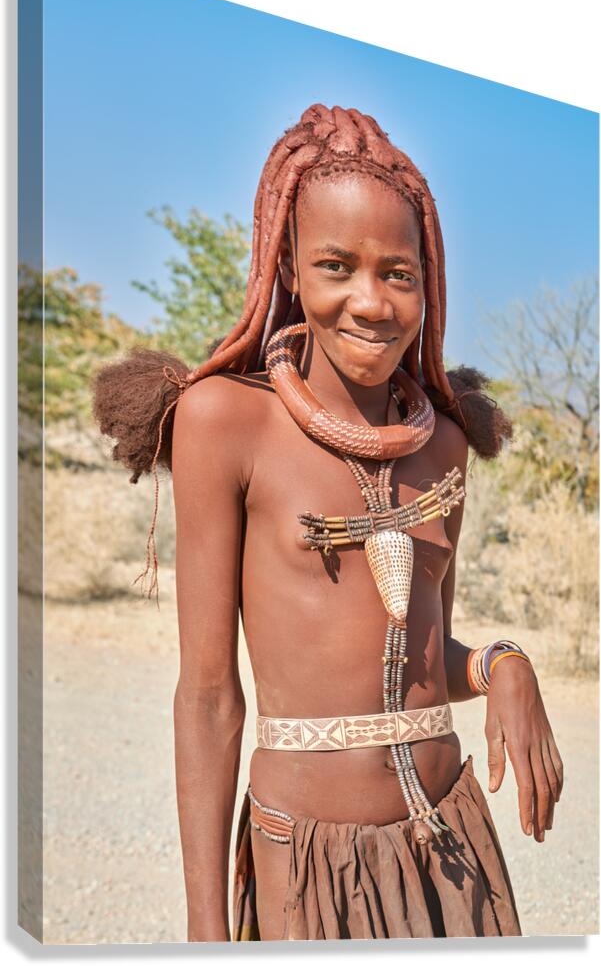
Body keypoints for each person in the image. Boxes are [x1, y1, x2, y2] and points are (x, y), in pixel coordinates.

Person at [92, 103, 563, 942]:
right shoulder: (222, 423)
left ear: (429, 282)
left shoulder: (444, 444)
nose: (370, 301)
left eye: (398, 273)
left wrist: (501, 666)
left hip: (451, 855)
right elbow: (206, 698)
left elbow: (423, 656)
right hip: (303, 859)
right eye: (336, 265)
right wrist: (206, 931)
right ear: (287, 265)